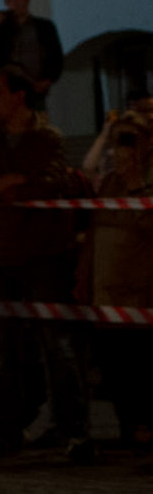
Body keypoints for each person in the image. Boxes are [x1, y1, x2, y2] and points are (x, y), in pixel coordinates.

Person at [0, 68, 90, 458]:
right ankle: (8, 432)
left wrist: (13, 189)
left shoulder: (47, 139)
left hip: (44, 255)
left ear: (19, 97)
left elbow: (52, 181)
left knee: (59, 346)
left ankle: (73, 430)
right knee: (2, 350)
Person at [80, 111, 153, 453]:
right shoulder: (108, 182)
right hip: (104, 290)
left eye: (130, 139)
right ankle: (127, 426)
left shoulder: (148, 181)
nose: (122, 149)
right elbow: (94, 231)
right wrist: (84, 277)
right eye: (117, 139)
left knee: (140, 366)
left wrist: (138, 183)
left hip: (138, 291)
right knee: (114, 367)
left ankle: (144, 427)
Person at [0, 0, 63, 109]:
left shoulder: (44, 26)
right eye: (9, 1)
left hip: (35, 84)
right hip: (9, 86)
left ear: (27, 0)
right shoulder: (1, 28)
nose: (15, 4)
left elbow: (56, 55)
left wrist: (49, 79)